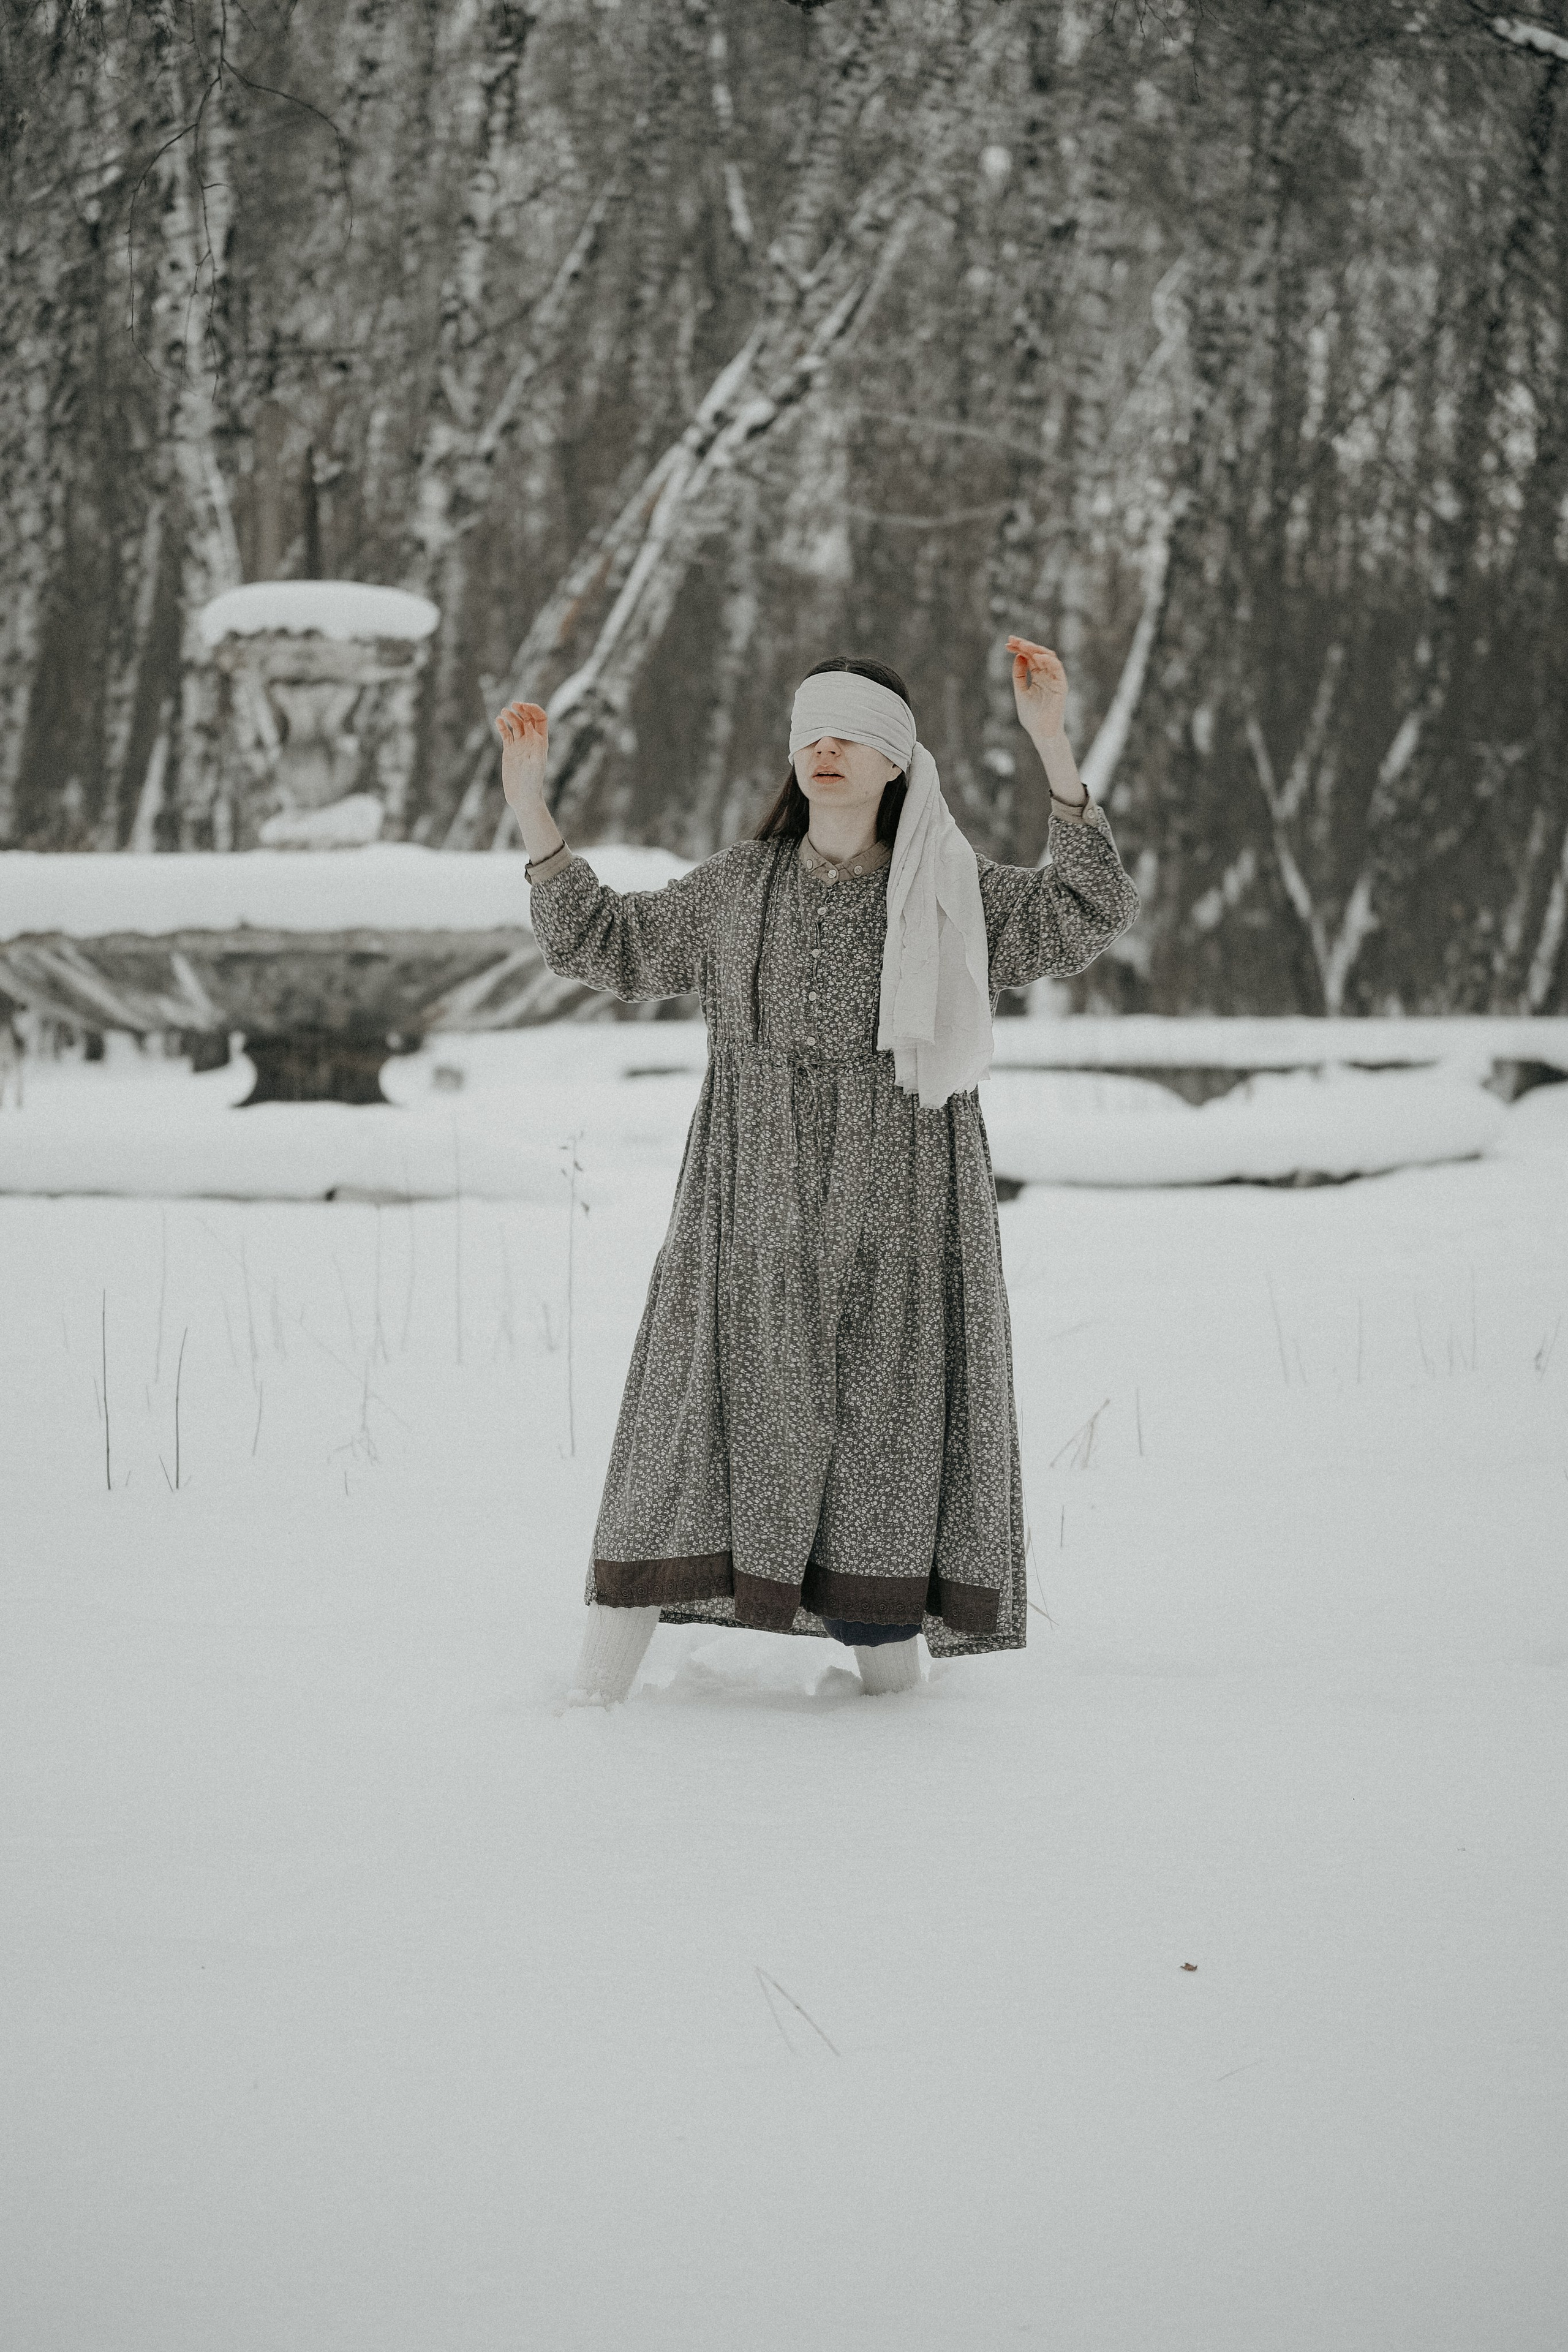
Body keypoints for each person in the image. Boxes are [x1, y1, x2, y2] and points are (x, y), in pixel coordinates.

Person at [494, 636, 1141, 1705]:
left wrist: (1052, 745)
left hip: (904, 1208)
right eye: (812, 733)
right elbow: (605, 943)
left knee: (883, 1437)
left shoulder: (951, 889)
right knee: (686, 1423)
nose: (828, 750)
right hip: (746, 1205)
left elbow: (1087, 910)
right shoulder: (740, 886)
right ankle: (591, 1706)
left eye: (854, 735)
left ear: (898, 762)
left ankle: (894, 1716)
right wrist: (533, 808)